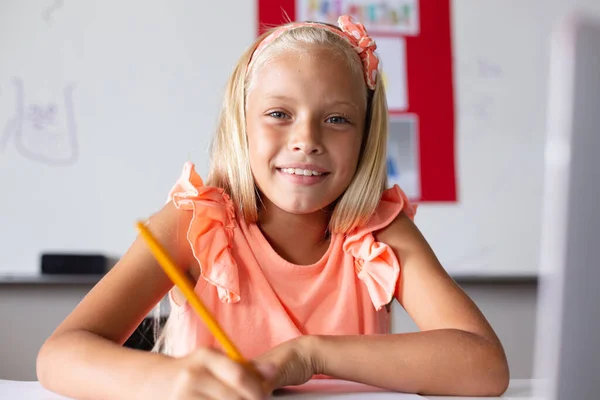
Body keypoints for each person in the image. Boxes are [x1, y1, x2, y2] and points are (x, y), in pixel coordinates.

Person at [37, 15, 509, 400]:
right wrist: (170, 379)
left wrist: (310, 355)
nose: (306, 141)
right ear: (242, 125)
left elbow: (484, 367)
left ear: (367, 139)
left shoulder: (378, 232)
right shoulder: (196, 222)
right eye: (279, 114)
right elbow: (59, 355)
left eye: (338, 119)